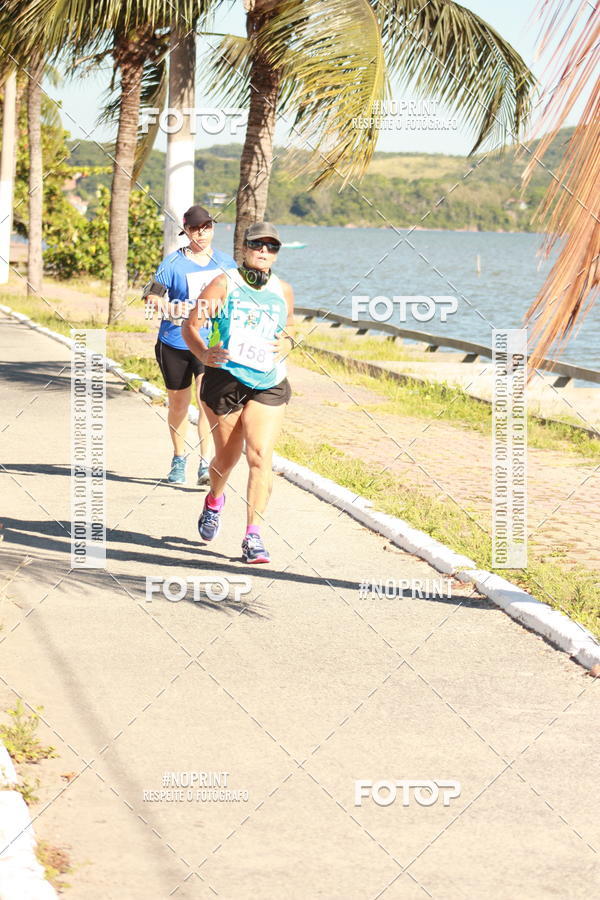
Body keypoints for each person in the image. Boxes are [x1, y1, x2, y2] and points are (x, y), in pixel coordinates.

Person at [181, 222, 295, 564]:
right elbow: (191, 325)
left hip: (269, 380)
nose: (264, 251)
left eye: (271, 247)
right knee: (227, 458)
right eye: (258, 245)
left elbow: (289, 329)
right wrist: (203, 354)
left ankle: (253, 537)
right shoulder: (223, 284)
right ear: (244, 248)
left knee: (260, 456)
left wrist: (286, 343)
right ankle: (215, 499)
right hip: (226, 379)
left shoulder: (283, 289)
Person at [144, 205, 236, 485]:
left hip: (209, 345)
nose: (202, 232)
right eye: (195, 228)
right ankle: (178, 457)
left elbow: (237, 300)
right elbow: (151, 298)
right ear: (186, 231)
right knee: (178, 404)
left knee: (206, 401)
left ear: (213, 229)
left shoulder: (226, 264)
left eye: (207, 227)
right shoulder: (172, 264)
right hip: (174, 343)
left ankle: (205, 464)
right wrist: (174, 309)